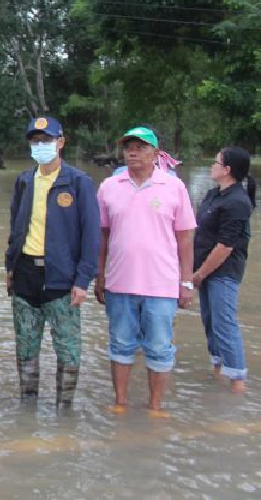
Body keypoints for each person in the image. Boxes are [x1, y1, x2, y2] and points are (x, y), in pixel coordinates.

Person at [95, 126, 196, 413]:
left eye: (140, 147)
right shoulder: (109, 187)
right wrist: (99, 275)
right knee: (120, 345)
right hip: (119, 283)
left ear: (155, 152)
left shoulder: (173, 187)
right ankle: (121, 403)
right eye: (128, 147)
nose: (133, 152)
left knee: (160, 348)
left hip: (161, 285)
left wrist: (186, 281)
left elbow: (185, 238)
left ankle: (155, 407)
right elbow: (102, 235)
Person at [5, 117, 100, 406]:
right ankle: (28, 404)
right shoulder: (24, 181)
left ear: (60, 142)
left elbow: (91, 235)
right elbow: (16, 227)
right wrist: (10, 267)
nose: (40, 146)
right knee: (26, 347)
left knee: (68, 350)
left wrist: (83, 280)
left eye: (46, 140)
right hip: (25, 275)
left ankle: (65, 409)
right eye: (35, 141)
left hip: (61, 278)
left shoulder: (78, 182)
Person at [193, 146, 256, 394]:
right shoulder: (213, 194)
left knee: (224, 323)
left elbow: (225, 246)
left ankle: (237, 382)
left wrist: (200, 274)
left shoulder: (237, 202)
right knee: (210, 320)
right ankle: (218, 370)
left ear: (226, 169)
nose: (212, 165)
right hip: (205, 269)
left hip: (223, 271)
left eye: (215, 162)